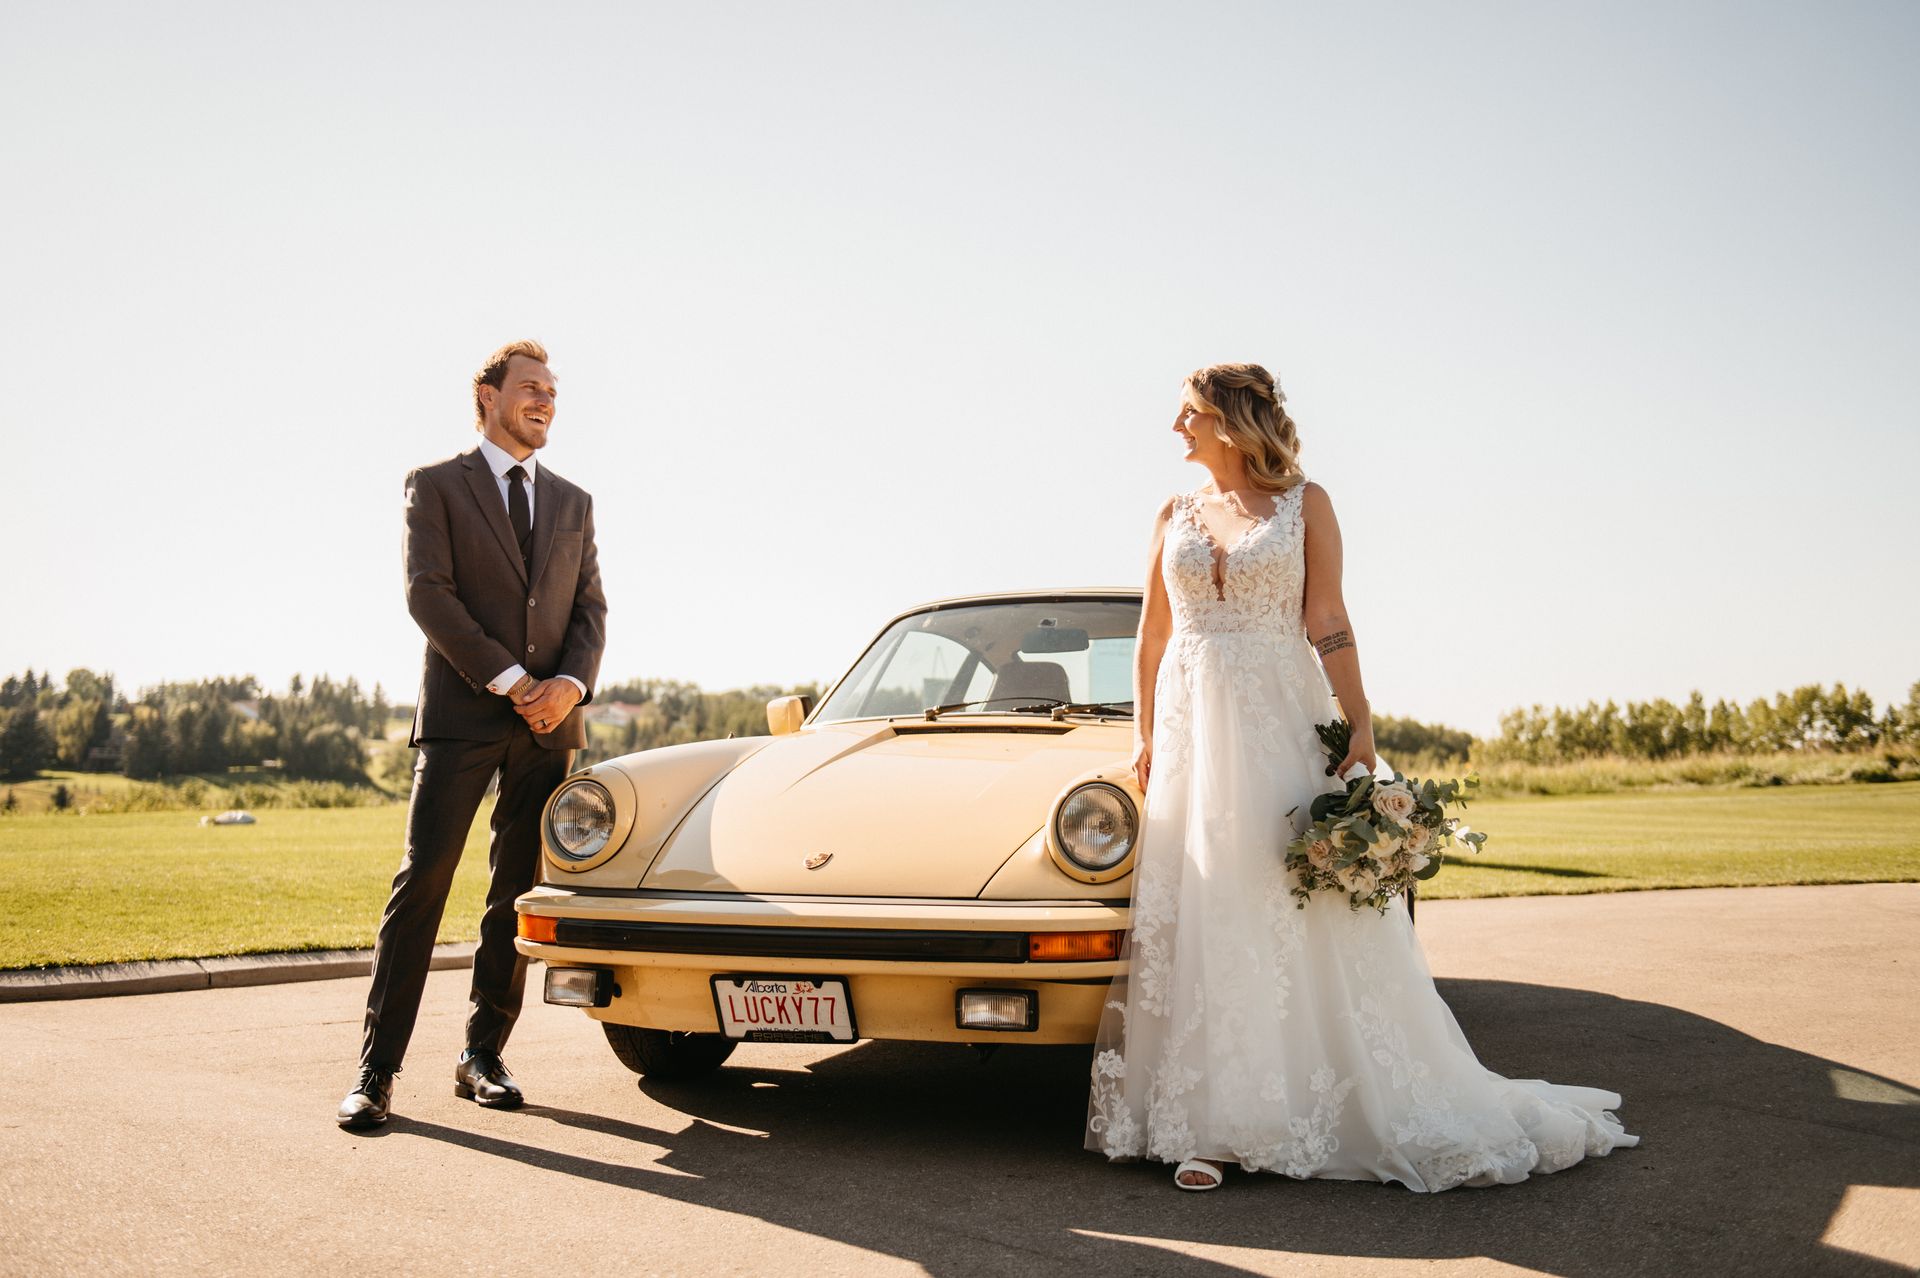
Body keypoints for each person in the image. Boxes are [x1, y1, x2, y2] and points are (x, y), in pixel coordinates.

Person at [1085, 363, 1636, 1190]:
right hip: (1194, 733)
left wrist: (1362, 720)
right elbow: (1152, 638)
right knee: (1209, 909)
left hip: (1280, 718)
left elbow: (1328, 619)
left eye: (1189, 413)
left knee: (1283, 901)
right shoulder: (1173, 514)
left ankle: (1294, 1106)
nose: (1176, 428)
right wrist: (1144, 734)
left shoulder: (1307, 506)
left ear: (1231, 421)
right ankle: (1207, 1124)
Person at [338, 339, 607, 1129]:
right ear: (485, 396)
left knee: (514, 892)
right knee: (423, 882)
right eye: (531, 388)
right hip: (463, 718)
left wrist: (569, 684)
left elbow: (591, 610)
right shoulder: (436, 485)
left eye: (553, 392)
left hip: (548, 729)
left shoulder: (574, 502)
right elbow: (430, 596)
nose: (546, 402)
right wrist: (512, 680)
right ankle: (376, 1071)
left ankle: (482, 1054)